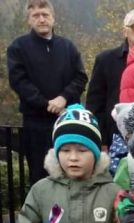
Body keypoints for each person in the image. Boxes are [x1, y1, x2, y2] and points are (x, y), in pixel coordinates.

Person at [7, 0, 88, 185]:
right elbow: (19, 82)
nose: (41, 19)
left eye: (45, 15)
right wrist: (47, 104)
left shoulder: (67, 47)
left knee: (72, 175)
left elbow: (81, 77)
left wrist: (63, 98)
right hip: (36, 125)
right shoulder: (18, 48)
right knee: (41, 178)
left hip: (67, 121)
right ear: (29, 20)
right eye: (36, 16)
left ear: (53, 17)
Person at [86, 9, 134, 150]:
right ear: (125, 31)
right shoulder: (106, 60)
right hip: (114, 137)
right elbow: (95, 105)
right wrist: (102, 141)